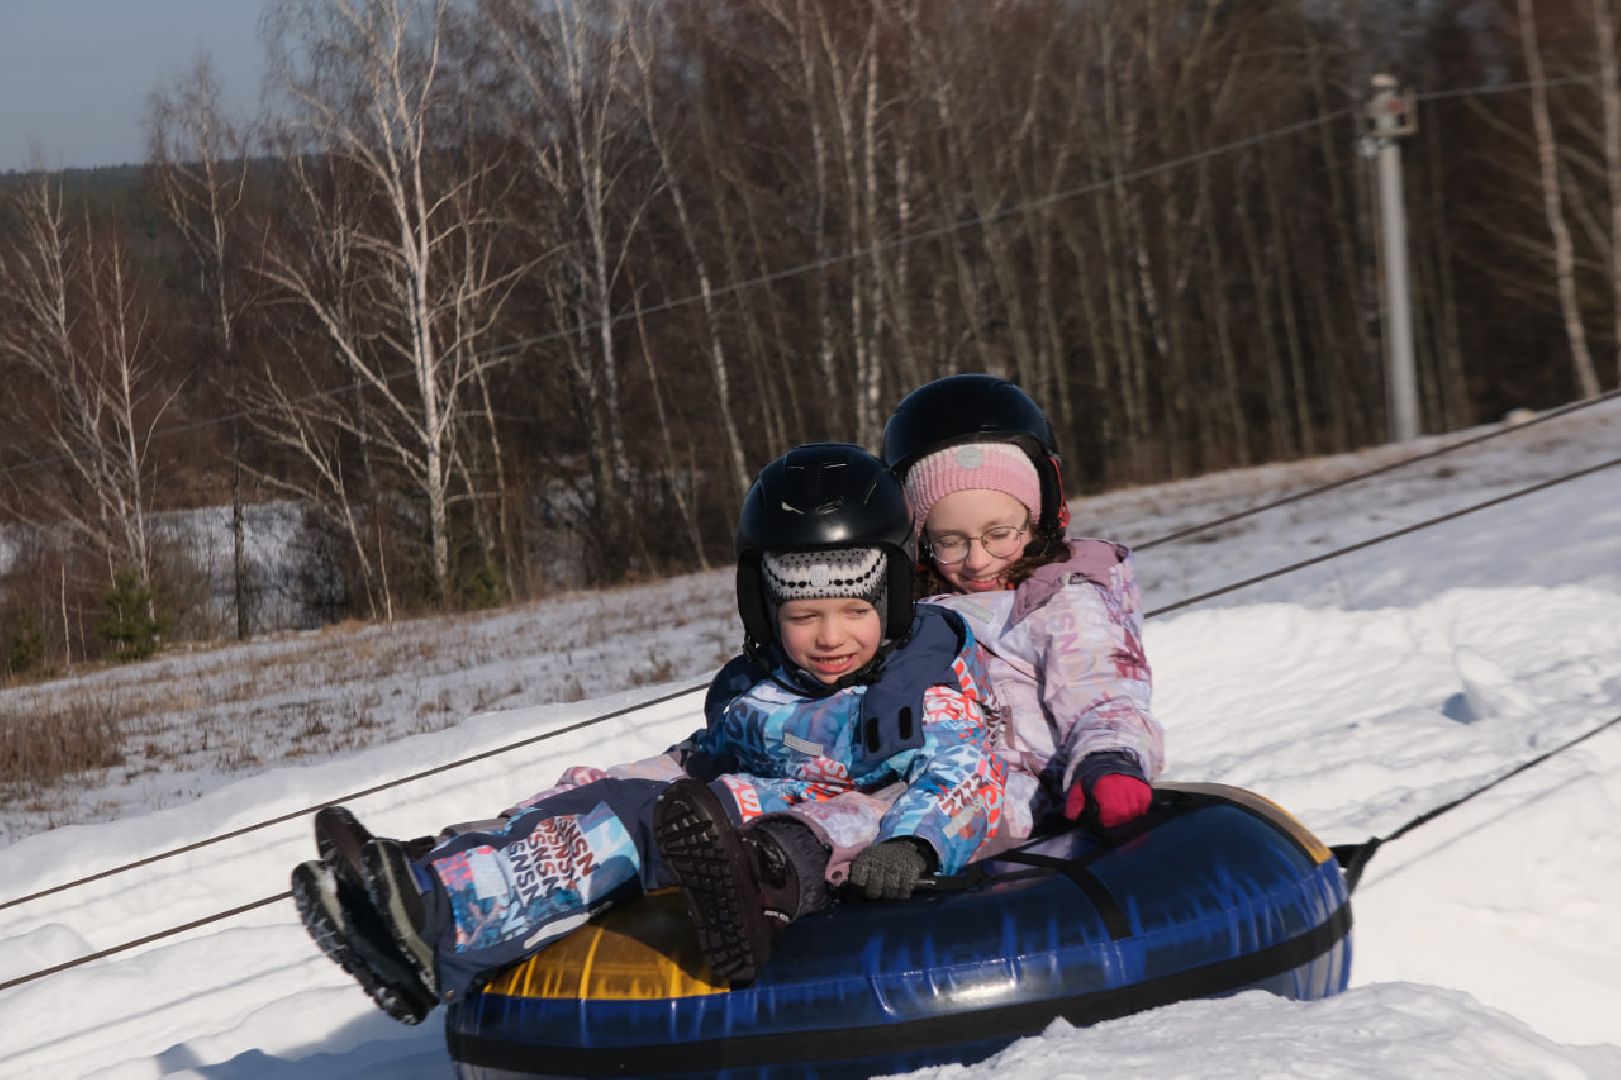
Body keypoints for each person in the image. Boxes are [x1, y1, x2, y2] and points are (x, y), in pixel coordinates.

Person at [291, 442, 1007, 1024]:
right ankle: (423, 893)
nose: (828, 637)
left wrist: (915, 842)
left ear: (893, 600)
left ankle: (742, 896)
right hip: (725, 810)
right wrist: (599, 787)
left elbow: (968, 773)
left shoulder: (918, 684)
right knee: (617, 806)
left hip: (855, 827)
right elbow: (699, 760)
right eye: (801, 617)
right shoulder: (761, 689)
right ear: (764, 613)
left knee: (797, 830)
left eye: (853, 612)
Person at [881, 373, 1165, 844]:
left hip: (1031, 794)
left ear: (1038, 520)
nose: (976, 560)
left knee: (911, 813)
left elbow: (1103, 694)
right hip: (929, 780)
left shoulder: (1063, 601)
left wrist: (1107, 758)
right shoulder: (909, 615)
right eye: (949, 542)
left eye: (998, 535)